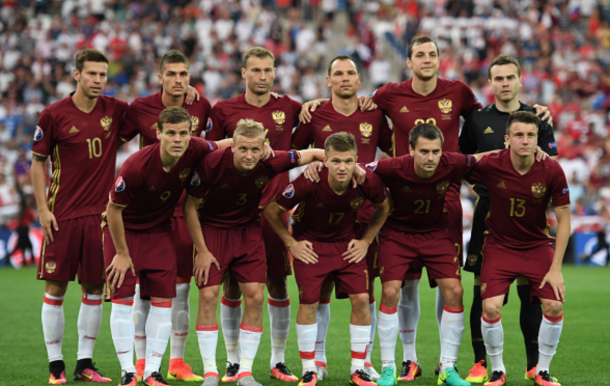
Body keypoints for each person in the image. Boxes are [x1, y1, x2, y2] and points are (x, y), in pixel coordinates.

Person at [183, 119, 325, 386]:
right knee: (209, 295)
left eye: (255, 150)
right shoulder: (211, 163)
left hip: (248, 231)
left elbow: (315, 153)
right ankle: (211, 372)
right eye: (243, 149)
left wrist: (321, 164)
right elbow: (189, 207)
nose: (249, 156)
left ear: (264, 148)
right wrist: (201, 250)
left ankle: (245, 372)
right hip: (213, 231)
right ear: (233, 146)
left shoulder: (271, 161)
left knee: (257, 297)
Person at [365, 123, 496, 386]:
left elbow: (482, 159)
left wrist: (524, 152)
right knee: (391, 291)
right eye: (424, 151)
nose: (430, 158)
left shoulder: (451, 162)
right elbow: (360, 171)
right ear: (411, 150)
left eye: (435, 151)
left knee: (455, 291)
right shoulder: (392, 166)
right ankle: (389, 367)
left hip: (436, 233)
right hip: (397, 234)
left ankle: (447, 367)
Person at [291, 55, 393, 381]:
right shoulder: (315, 113)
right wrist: (306, 164)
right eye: (339, 74)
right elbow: (291, 151)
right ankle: (316, 361)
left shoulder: (374, 113)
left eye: (351, 73)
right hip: (320, 218)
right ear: (328, 80)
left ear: (360, 80)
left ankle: (363, 362)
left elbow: (395, 149)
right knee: (315, 293)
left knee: (366, 292)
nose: (345, 78)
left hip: (364, 217)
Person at [458, 55, 558, 383]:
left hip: (529, 216)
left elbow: (550, 164)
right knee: (481, 290)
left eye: (509, 77)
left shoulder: (538, 117)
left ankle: (533, 363)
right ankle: (480, 363)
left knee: (530, 288)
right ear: (490, 83)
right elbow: (464, 161)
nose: (504, 83)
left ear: (519, 80)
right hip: (490, 212)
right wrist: (477, 189)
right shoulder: (476, 120)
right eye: (498, 78)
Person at [205, 47, 303, 382]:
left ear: (274, 72)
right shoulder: (224, 110)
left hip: (274, 211)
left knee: (276, 283)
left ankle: (277, 360)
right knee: (232, 284)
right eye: (255, 70)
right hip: (232, 214)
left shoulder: (290, 107)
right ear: (243, 73)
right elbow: (208, 153)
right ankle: (233, 361)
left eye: (268, 70)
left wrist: (318, 106)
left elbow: (306, 144)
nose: (262, 76)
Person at [31, 48, 128, 385]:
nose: (98, 80)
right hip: (62, 216)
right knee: (55, 289)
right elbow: (38, 162)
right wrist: (43, 209)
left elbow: (152, 114)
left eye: (102, 75)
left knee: (94, 289)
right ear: (76, 75)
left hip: (100, 218)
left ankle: (84, 363)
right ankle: (55, 366)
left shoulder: (114, 110)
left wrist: (182, 91)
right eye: (91, 74)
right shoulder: (53, 114)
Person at [104, 107, 218, 386]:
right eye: (171, 133)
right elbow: (113, 210)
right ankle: (128, 372)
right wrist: (121, 253)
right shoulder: (135, 166)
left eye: (183, 133)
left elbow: (225, 146)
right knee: (121, 301)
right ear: (158, 134)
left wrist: (256, 149)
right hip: (124, 234)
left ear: (191, 134)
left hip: (159, 233)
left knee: (163, 303)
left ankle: (153, 371)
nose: (178, 139)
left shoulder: (195, 149)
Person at [265, 132, 390, 386]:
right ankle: (309, 369)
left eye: (347, 161)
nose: (342, 167)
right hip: (310, 246)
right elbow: (271, 210)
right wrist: (291, 243)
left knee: (362, 300)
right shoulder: (309, 180)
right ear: (325, 160)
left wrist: (366, 240)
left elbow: (384, 206)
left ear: (357, 159)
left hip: (347, 245)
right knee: (309, 303)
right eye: (335, 161)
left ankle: (358, 369)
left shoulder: (367, 180)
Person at [119, 49, 212, 383]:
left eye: (183, 74)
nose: (177, 80)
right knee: (144, 290)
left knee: (181, 289)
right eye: (171, 74)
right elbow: (111, 146)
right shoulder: (139, 108)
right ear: (159, 77)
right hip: (148, 212)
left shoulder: (201, 106)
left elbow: (209, 154)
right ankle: (142, 362)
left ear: (190, 77)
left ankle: (176, 361)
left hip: (184, 207)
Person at [465, 111, 570, 386]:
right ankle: (498, 370)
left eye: (531, 135)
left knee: (555, 305)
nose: (525, 141)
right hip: (499, 246)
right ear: (507, 139)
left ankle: (541, 371)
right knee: (489, 308)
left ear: (538, 138)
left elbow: (565, 220)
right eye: (519, 135)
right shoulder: (491, 164)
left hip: (537, 246)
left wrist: (557, 268)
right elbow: (458, 166)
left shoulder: (551, 169)